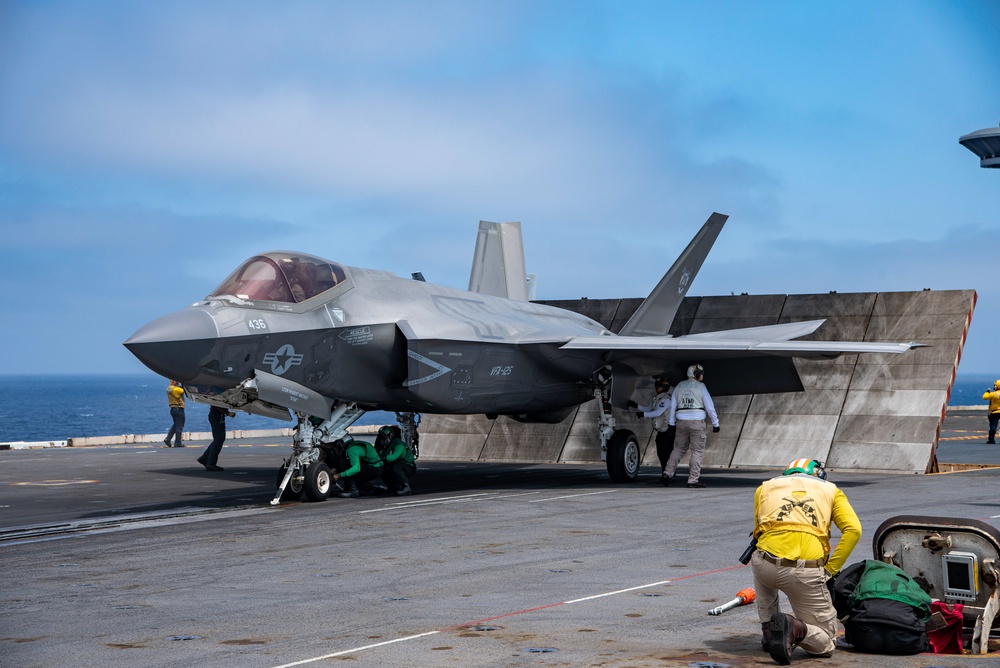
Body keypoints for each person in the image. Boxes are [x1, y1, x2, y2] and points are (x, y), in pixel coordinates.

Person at [751, 458, 862, 665]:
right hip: (803, 572)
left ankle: (768, 631)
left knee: (759, 557)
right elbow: (854, 530)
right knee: (826, 644)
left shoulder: (764, 488)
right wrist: (830, 569)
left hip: (765, 565)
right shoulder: (830, 490)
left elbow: (761, 528)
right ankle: (795, 627)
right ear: (816, 473)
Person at [661, 364, 719, 488]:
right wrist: (715, 423)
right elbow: (709, 406)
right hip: (697, 423)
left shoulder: (679, 386)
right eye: (701, 373)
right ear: (697, 374)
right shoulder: (701, 387)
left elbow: (672, 406)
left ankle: (667, 473)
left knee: (678, 449)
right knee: (697, 451)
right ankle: (693, 480)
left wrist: (671, 423)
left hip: (681, 423)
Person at [631, 377, 675, 485]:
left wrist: (643, 415)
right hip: (661, 432)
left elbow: (657, 413)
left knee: (666, 455)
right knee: (661, 454)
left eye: (660, 385)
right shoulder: (657, 398)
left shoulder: (666, 400)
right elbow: (649, 409)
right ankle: (665, 474)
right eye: (656, 385)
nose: (657, 387)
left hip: (667, 432)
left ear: (665, 387)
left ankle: (669, 475)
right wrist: (636, 406)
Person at [375, 425, 416, 496]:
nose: (382, 440)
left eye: (383, 437)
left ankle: (406, 487)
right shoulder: (386, 446)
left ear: (390, 436)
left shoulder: (399, 445)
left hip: (408, 467)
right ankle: (393, 488)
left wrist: (383, 458)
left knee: (396, 467)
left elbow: (394, 457)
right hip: (397, 465)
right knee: (382, 469)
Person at [197, 405, 235, 472]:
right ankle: (211, 464)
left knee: (218, 439)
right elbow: (217, 405)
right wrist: (227, 413)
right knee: (219, 439)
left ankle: (205, 458)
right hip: (217, 416)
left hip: (217, 415)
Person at [163, 380, 186, 448]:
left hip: (172, 409)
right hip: (178, 409)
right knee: (180, 426)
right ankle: (177, 443)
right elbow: (183, 390)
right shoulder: (177, 389)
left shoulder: (169, 388)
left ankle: (168, 439)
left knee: (176, 425)